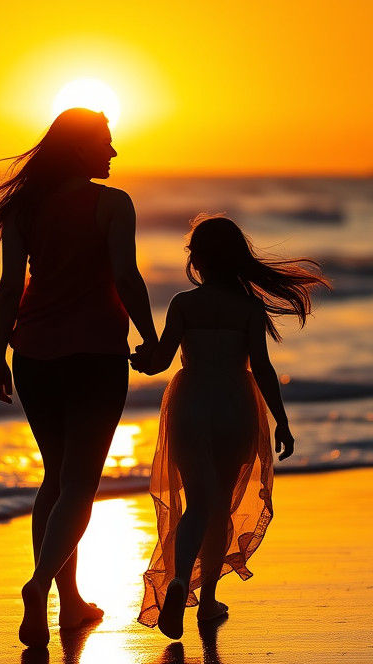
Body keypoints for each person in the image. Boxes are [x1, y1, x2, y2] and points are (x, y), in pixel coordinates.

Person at [0, 107, 158, 648]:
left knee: (54, 479)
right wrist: (149, 336)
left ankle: (70, 602)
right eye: (105, 140)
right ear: (80, 148)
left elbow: (10, 286)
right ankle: (38, 587)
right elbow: (125, 274)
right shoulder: (112, 204)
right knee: (79, 483)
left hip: (34, 355)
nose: (113, 151)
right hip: (95, 355)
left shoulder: (25, 208)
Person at [131, 215, 329, 639]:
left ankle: (180, 581)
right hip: (236, 406)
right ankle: (208, 602)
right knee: (218, 504)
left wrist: (139, 360)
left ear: (197, 260)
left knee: (196, 503)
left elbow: (161, 362)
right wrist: (282, 421)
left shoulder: (184, 304)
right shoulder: (248, 308)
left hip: (191, 403)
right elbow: (262, 367)